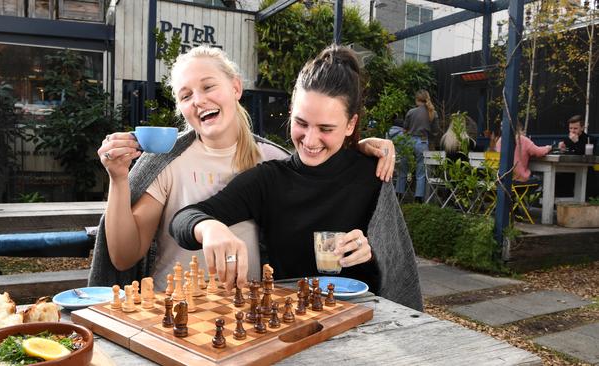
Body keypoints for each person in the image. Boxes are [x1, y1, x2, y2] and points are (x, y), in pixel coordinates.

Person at [88, 46, 397, 290]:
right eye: (185, 95)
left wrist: (356, 147)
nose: (198, 100)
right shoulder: (169, 163)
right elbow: (129, 253)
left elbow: (389, 257)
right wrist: (119, 178)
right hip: (178, 303)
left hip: (257, 309)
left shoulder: (272, 158)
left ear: (236, 87)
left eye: (208, 86)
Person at [170, 45, 423, 311]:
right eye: (302, 123)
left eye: (326, 128)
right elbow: (183, 219)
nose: (310, 140)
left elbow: (395, 271)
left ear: (350, 124)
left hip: (362, 319)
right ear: (291, 111)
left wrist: (369, 253)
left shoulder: (371, 173)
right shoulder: (268, 180)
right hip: (292, 321)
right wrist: (209, 227)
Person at [395, 90, 440, 203]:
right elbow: (435, 131)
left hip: (408, 141)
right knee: (421, 172)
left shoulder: (411, 112)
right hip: (423, 142)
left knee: (403, 169)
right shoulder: (433, 113)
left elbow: (405, 129)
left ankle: (399, 195)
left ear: (417, 100)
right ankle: (418, 198)